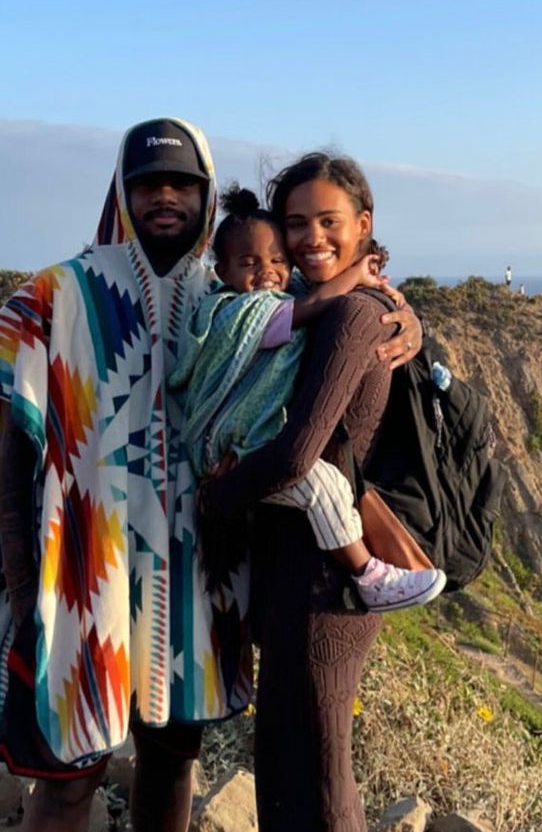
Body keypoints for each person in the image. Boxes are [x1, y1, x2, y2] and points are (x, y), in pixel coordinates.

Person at [0, 123, 423, 832]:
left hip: (194, 599)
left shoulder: (226, 289)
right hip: (78, 592)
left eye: (184, 185)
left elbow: (330, 322)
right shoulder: (60, 296)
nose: (166, 197)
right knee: (66, 787)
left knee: (170, 771)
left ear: (205, 195)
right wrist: (22, 585)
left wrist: (404, 313)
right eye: (147, 184)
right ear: (121, 191)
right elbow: (12, 457)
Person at [202, 152, 422, 832]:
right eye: (295, 223)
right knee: (286, 761)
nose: (310, 237)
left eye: (329, 221)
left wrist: (212, 498)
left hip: (324, 583)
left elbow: (299, 454)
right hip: (293, 568)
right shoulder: (300, 305)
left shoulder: (352, 314)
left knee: (320, 774)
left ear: (363, 225)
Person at [171, 185, 445, 612]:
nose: (267, 272)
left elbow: (314, 291)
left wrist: (406, 314)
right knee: (323, 485)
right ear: (221, 271)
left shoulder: (283, 292)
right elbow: (311, 305)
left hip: (252, 450)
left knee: (318, 489)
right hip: (227, 451)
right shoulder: (233, 312)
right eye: (249, 262)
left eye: (278, 260)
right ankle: (368, 574)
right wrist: (356, 274)